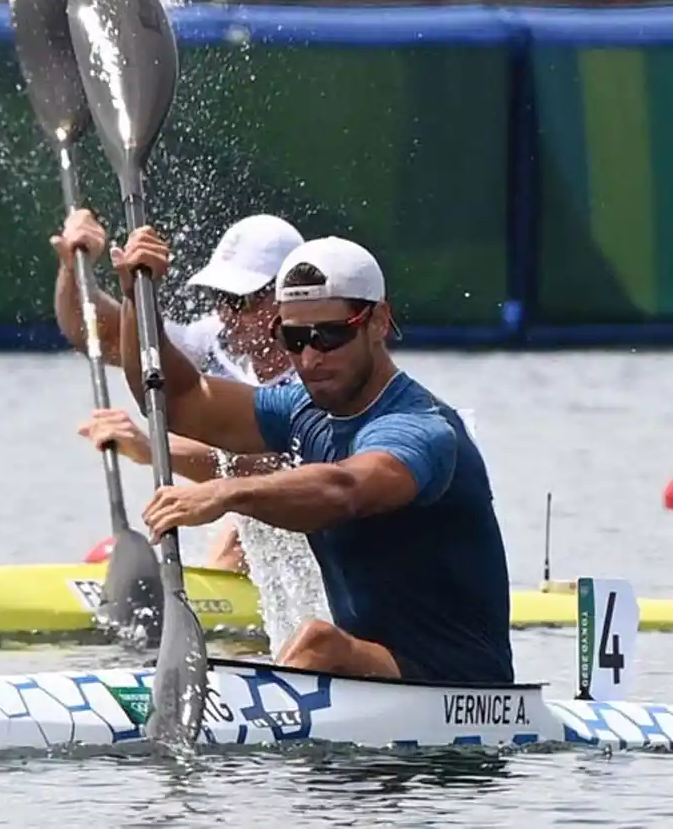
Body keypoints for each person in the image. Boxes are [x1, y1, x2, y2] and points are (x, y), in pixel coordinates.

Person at [60, 209, 513, 684]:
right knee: (322, 645)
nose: (311, 356)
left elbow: (344, 490)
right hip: (377, 677)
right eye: (294, 338)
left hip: (466, 687)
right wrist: (138, 295)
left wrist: (226, 493)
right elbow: (179, 399)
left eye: (331, 335)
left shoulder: (420, 429)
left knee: (320, 643)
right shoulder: (300, 406)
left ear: (378, 321)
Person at [53, 214, 300, 573]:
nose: (229, 315)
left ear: (288, 296)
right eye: (221, 297)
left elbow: (275, 471)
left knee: (243, 524)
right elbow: (102, 335)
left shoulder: (320, 372)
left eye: (243, 301)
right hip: (257, 526)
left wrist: (152, 448)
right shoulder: (214, 341)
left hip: (315, 531)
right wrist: (76, 268)